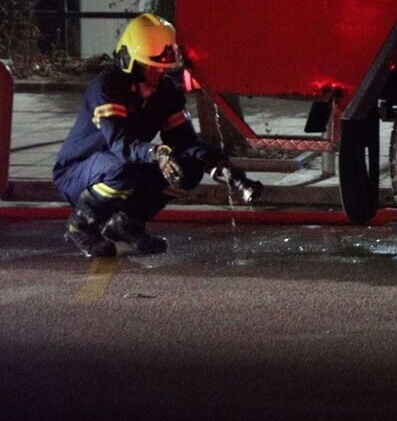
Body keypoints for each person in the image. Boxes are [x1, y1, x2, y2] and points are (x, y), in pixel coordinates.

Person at [53, 13, 262, 257]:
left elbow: (184, 140)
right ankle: (80, 226)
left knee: (188, 170)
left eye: (162, 68)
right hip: (78, 171)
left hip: (122, 165)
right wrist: (156, 152)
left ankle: (125, 224)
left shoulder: (166, 92)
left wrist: (218, 165)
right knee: (121, 169)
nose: (158, 75)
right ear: (128, 61)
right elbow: (121, 144)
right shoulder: (108, 88)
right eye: (151, 67)